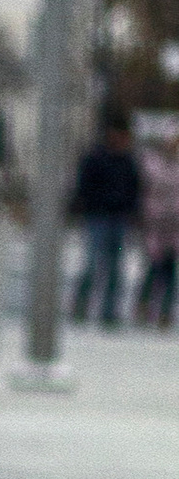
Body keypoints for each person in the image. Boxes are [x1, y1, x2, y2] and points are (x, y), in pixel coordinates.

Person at [69, 112, 143, 327]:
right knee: (92, 263)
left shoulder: (128, 160)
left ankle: (109, 311)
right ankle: (81, 305)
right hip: (98, 218)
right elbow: (84, 188)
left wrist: (131, 211)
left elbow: (134, 188)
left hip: (119, 220)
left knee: (116, 266)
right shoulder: (95, 157)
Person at [134, 130, 179, 331]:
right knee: (154, 266)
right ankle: (143, 305)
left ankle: (165, 313)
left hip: (175, 225)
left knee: (170, 270)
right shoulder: (151, 163)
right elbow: (147, 187)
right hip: (155, 223)